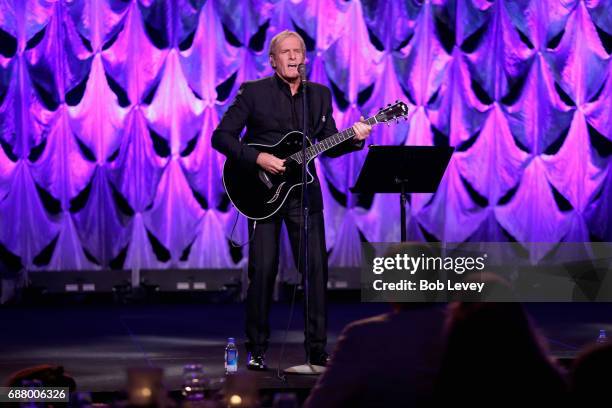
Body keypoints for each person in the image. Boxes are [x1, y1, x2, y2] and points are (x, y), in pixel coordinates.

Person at [212, 30, 371, 370]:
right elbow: (221, 137)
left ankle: (316, 349)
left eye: (298, 50)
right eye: (286, 52)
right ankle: (256, 349)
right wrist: (258, 158)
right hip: (260, 192)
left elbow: (329, 144)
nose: (293, 56)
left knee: (315, 271)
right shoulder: (253, 93)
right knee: (264, 270)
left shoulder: (318, 95)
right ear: (273, 60)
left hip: (304, 194)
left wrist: (355, 137)